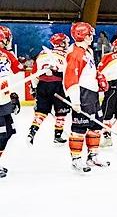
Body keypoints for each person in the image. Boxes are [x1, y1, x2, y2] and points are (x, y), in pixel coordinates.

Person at [64, 22, 106, 173]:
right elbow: (70, 79)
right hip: (82, 94)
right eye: (89, 34)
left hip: (92, 93)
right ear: (82, 35)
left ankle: (92, 157)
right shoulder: (76, 53)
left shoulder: (87, 51)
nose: (91, 37)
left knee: (96, 125)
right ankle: (76, 160)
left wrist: (98, 77)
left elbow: (88, 72)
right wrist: (75, 100)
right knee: (79, 127)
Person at [27, 33, 71, 145]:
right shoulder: (67, 54)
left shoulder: (42, 53)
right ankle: (58, 136)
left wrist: (34, 88)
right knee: (61, 112)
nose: (67, 44)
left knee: (41, 112)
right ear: (61, 43)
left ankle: (32, 132)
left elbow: (34, 73)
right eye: (65, 42)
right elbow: (68, 73)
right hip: (58, 85)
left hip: (42, 85)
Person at [0, 25, 22, 177]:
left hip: (4, 101)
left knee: (8, 132)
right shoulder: (7, 55)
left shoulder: (7, 55)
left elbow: (16, 69)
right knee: (1, 134)